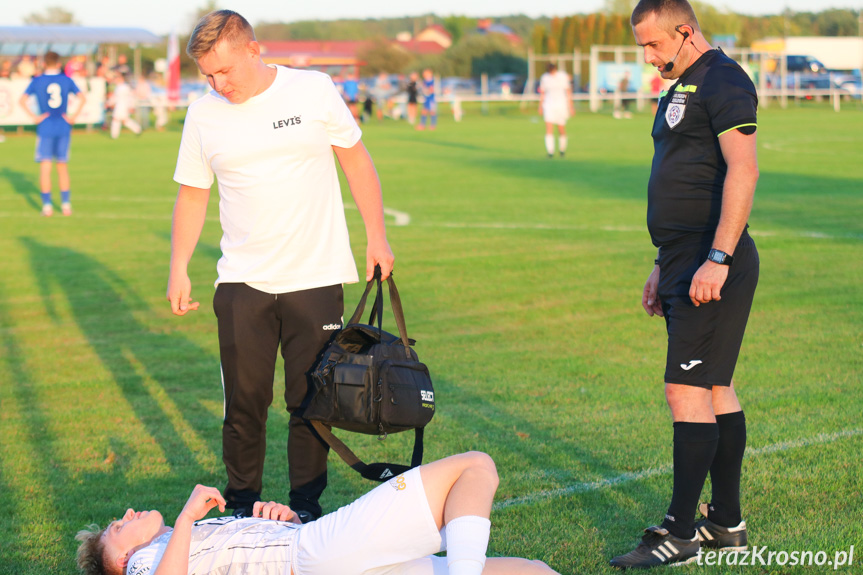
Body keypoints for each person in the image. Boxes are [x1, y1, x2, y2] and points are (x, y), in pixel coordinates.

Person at [166, 10, 395, 524]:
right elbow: (192, 194)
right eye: (207, 75)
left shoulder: (312, 90)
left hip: (314, 278)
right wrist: (178, 267)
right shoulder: (203, 115)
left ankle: (304, 511)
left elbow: (356, 160)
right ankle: (242, 508)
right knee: (244, 406)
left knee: (310, 403)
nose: (217, 84)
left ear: (253, 51)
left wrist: (376, 235)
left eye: (225, 71)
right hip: (242, 283)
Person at [610, 0, 760, 569]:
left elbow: (742, 170)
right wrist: (660, 264)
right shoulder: (680, 85)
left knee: (686, 390)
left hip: (711, 258)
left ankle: (680, 533)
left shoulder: (723, 78)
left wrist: (717, 257)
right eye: (641, 46)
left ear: (686, 32)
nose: (647, 56)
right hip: (679, 258)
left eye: (653, 44)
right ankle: (724, 523)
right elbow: (682, 170)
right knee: (715, 387)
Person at [75, 452, 560, 575]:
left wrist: (284, 522)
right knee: (475, 468)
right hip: (314, 556)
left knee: (535, 571)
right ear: (122, 563)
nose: (129, 513)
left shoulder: (171, 548)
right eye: (119, 528)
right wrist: (183, 519)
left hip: (316, 553)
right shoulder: (146, 562)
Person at [18, 51, 87, 217]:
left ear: (43, 64)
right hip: (63, 126)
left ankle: (47, 207)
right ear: (58, 63)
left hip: (45, 126)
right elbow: (82, 98)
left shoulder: (37, 80)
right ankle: (66, 205)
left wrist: (35, 117)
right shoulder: (66, 79)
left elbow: (21, 100)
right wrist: (73, 117)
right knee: (62, 166)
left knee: (45, 168)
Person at [538, 63, 574, 158]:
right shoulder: (545, 78)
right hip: (549, 105)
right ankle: (550, 151)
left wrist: (571, 106)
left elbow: (568, 91)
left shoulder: (562, 76)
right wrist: (540, 106)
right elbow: (543, 93)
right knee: (549, 128)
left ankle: (562, 149)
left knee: (561, 128)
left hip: (561, 105)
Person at [108, 73, 142, 139]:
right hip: (121, 106)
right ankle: (137, 129)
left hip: (123, 106)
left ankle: (114, 135)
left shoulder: (123, 87)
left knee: (116, 119)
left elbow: (130, 97)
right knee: (124, 120)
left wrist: (131, 106)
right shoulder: (119, 87)